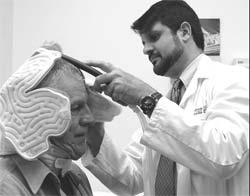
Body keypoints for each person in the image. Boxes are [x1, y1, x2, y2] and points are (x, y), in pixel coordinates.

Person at [82, 1, 249, 196]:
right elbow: (132, 179)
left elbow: (226, 156)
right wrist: (92, 128)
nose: (145, 49)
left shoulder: (234, 79)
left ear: (184, 32)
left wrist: (146, 97)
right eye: (143, 43)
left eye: (153, 37)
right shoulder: (167, 102)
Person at [0, 43, 120, 195]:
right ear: (38, 115)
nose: (90, 119)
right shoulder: (7, 187)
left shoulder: (76, 177)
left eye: (87, 105)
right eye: (76, 107)